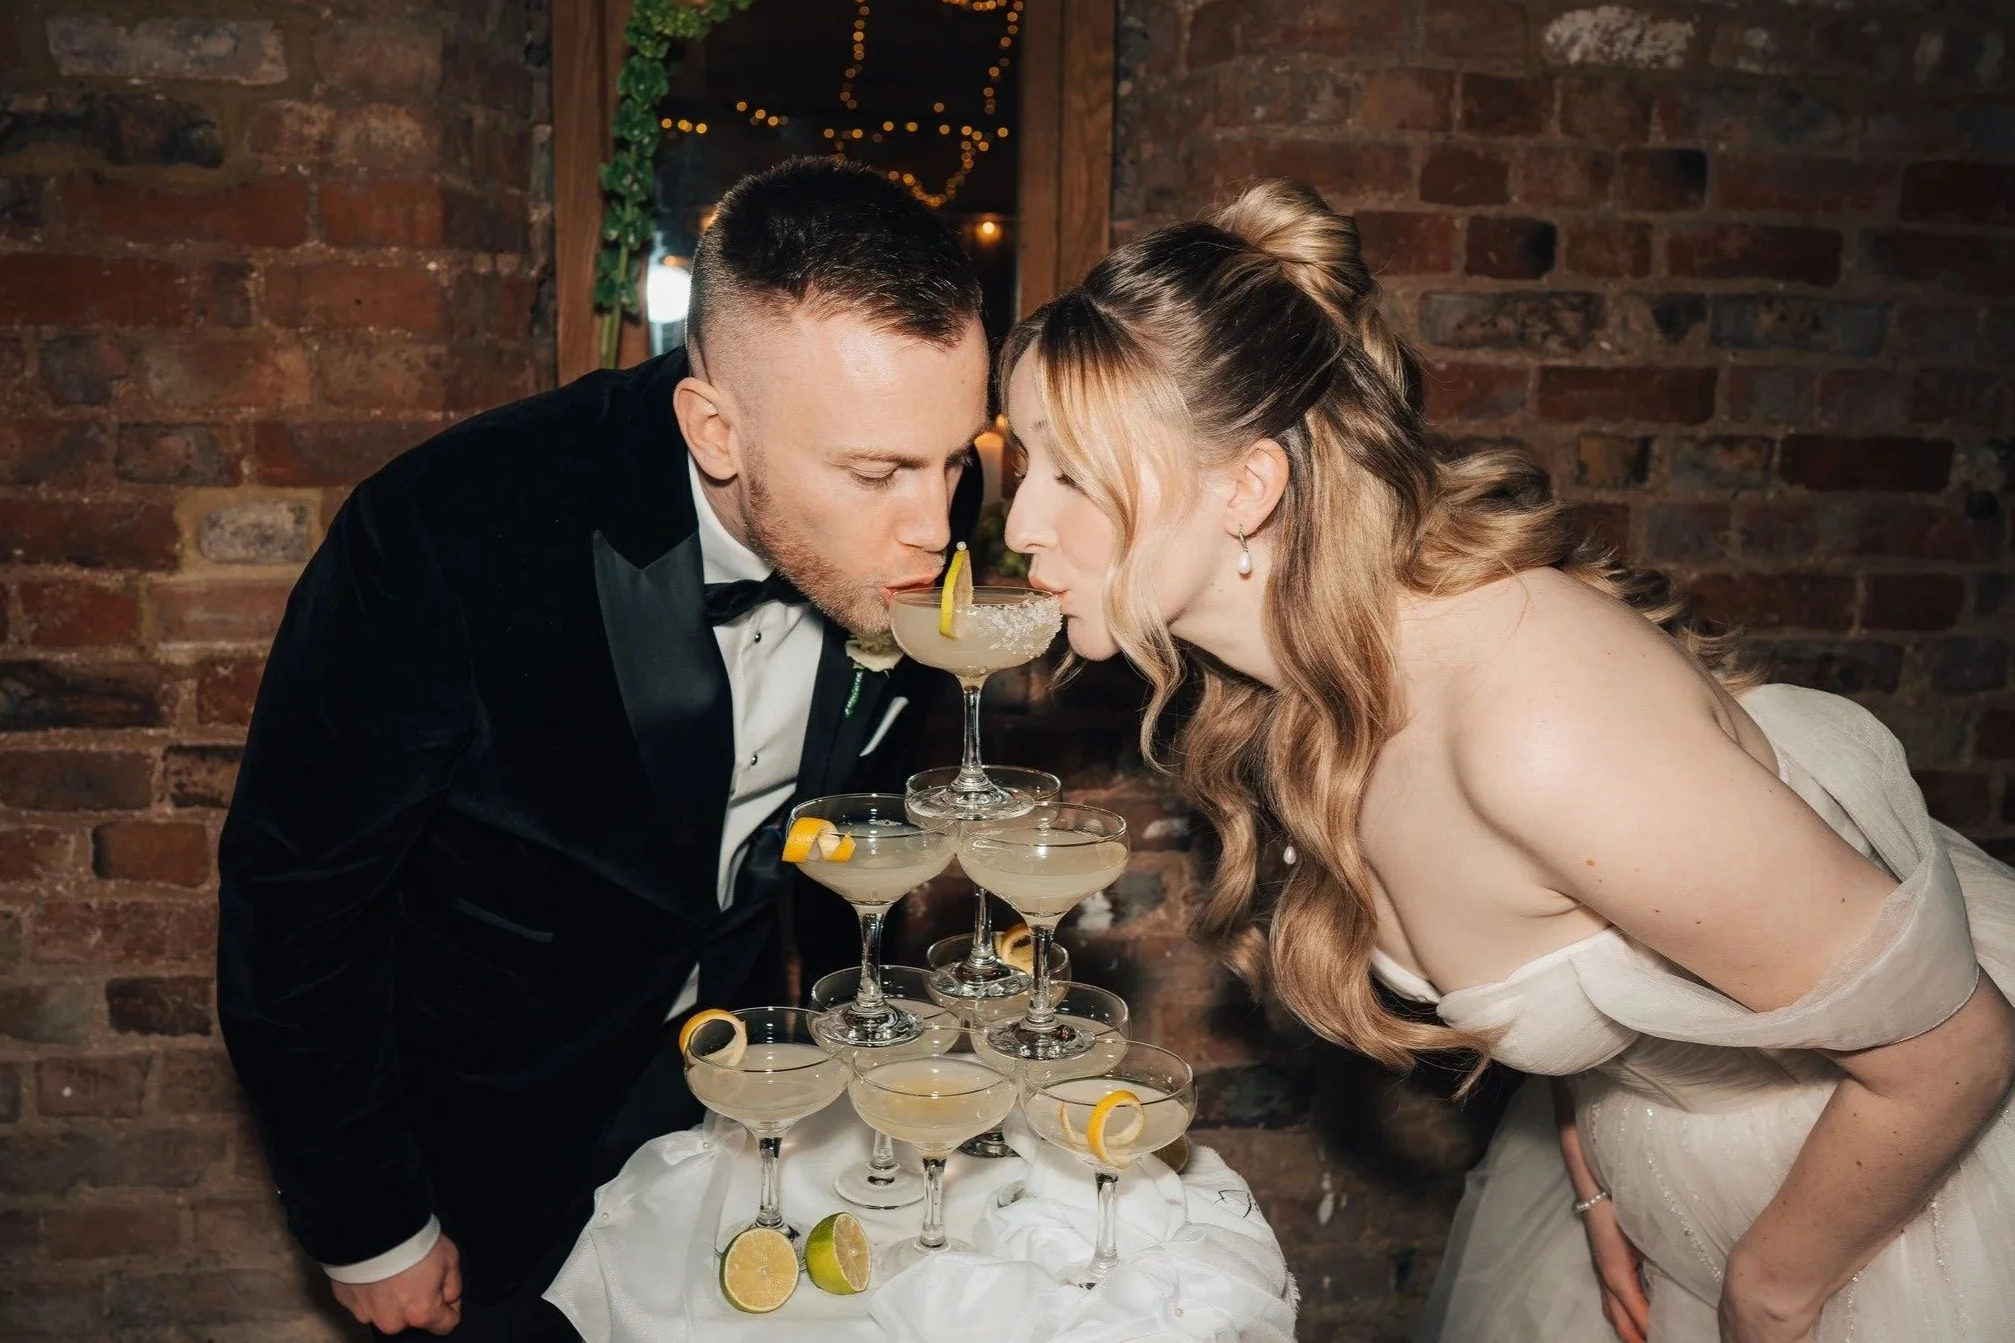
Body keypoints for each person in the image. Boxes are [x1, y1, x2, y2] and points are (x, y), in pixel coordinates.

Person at [996, 176, 2015, 1342]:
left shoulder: (1536, 728)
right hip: (1650, 1171)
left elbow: (1956, 1050)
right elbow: (1615, 953)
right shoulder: (1321, 688)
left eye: (1068, 472)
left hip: (1865, 1200)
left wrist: (1768, 1289)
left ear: (1247, 487)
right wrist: (1594, 1175)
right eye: (1025, 462)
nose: (1022, 523)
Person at [216, 157, 987, 1340]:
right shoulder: (449, 533)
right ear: (713, 429)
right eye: (878, 473)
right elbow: (297, 898)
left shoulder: (919, 501)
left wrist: (853, 1067)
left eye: (953, 459)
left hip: (737, 1104)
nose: (934, 530)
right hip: (485, 1131)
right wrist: (371, 1222)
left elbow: (849, 817)